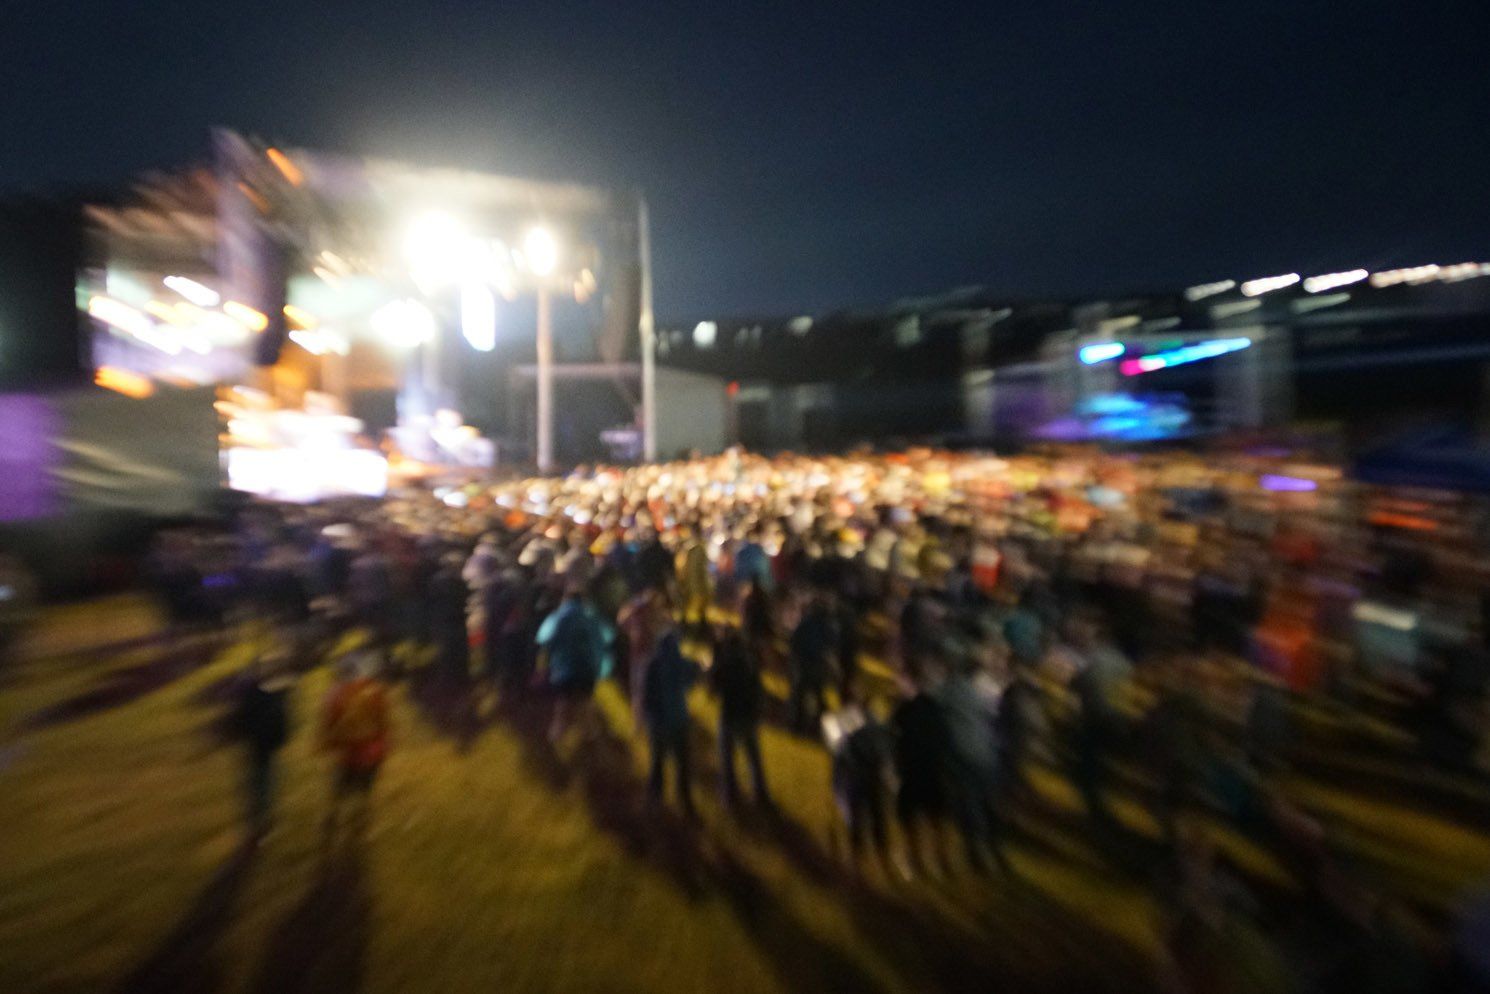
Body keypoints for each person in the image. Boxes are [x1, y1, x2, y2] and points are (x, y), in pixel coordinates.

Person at [319, 650, 392, 842]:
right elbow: (382, 720)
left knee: (341, 785)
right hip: (370, 750)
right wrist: (384, 743)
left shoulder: (335, 693)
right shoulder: (373, 690)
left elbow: (329, 722)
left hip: (346, 752)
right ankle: (359, 819)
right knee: (364, 788)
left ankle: (333, 815)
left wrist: (329, 743)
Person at [892, 660, 951, 878]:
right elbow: (944, 737)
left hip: (911, 771)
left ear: (908, 681)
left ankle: (913, 862)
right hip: (934, 770)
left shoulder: (903, 709)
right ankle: (941, 861)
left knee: (909, 821)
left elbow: (892, 740)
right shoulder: (935, 706)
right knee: (936, 819)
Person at [825, 697, 894, 876]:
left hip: (855, 779)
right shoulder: (876, 722)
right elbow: (884, 751)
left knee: (860, 822)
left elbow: (836, 751)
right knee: (876, 821)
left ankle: (858, 864)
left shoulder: (842, 722)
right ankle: (881, 862)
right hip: (870, 778)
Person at [536, 583, 613, 743]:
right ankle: (589, 734)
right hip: (587, 667)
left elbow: (543, 638)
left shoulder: (557, 617)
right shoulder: (592, 617)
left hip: (564, 668)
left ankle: (557, 734)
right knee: (585, 702)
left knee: (563, 703)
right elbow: (608, 635)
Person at [232, 649, 293, 839]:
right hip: (270, 743)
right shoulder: (279, 691)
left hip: (258, 744)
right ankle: (263, 816)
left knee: (257, 780)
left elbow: (243, 717)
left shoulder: (254, 691)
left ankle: (258, 819)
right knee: (266, 779)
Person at [710, 627, 771, 808]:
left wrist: (715, 657)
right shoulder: (749, 661)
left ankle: (730, 796)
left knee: (727, 757)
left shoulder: (724, 663)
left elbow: (713, 687)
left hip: (730, 715)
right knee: (753, 757)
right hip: (749, 715)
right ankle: (761, 793)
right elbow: (758, 688)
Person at [642, 629, 701, 816]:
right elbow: (694, 677)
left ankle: (655, 800)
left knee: (657, 762)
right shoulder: (681, 662)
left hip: (658, 722)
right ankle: (685, 800)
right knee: (682, 763)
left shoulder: (653, 664)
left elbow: (646, 694)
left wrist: (648, 715)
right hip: (679, 720)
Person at [788, 592, 837, 733]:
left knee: (799, 696)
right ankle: (822, 725)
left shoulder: (806, 622)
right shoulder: (828, 625)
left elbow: (795, 641)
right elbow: (831, 645)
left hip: (804, 664)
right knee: (817, 695)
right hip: (817, 665)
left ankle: (797, 725)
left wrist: (794, 660)